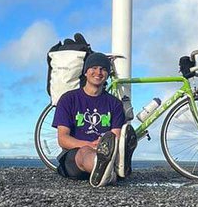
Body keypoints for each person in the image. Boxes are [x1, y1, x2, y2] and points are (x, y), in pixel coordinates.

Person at [52, 52, 137, 186]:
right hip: (76, 155)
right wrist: (90, 145)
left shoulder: (115, 103)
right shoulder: (68, 99)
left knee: (112, 147)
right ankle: (106, 168)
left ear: (107, 74)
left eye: (103, 69)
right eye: (94, 68)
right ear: (85, 72)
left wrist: (105, 144)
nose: (98, 72)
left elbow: (115, 136)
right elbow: (63, 139)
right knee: (85, 152)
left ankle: (110, 167)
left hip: (107, 150)